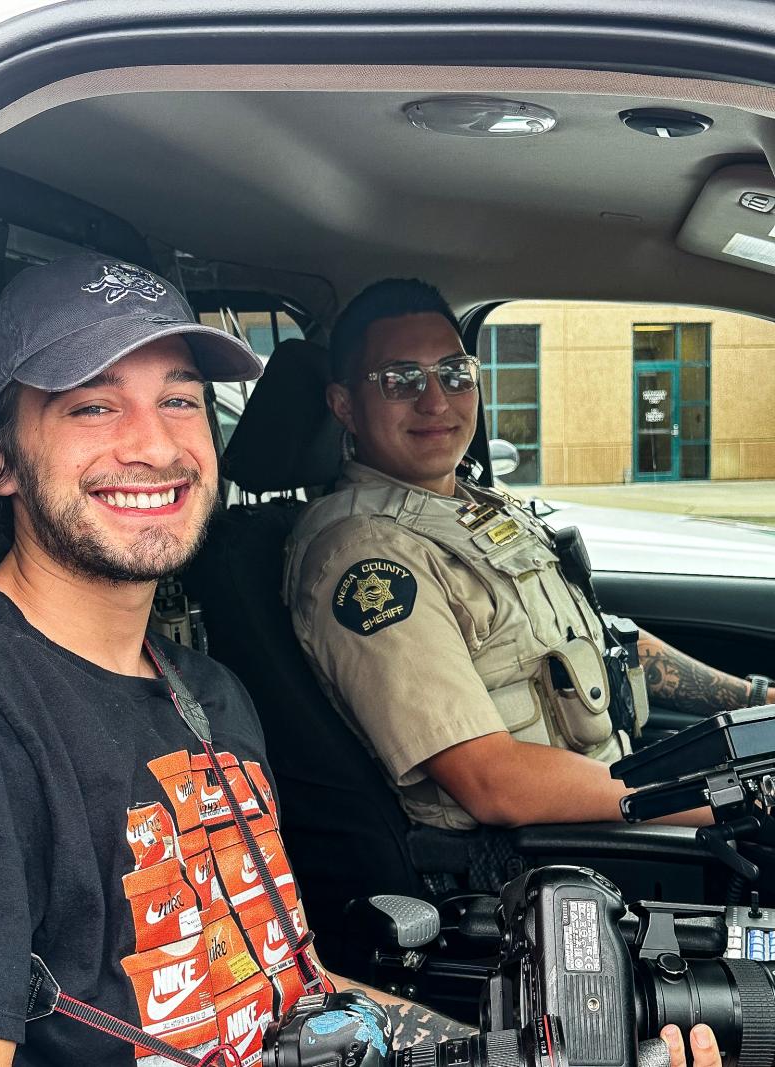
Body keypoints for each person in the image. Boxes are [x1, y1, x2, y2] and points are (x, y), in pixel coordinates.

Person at [0, 255, 474, 1066]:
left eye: (179, 399)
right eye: (94, 406)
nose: (154, 444)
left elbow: (291, 991)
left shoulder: (212, 692)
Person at [285, 278, 773, 834]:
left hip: (611, 796)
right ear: (344, 405)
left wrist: (758, 700)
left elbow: (605, 642)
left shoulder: (476, 507)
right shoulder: (367, 559)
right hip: (539, 861)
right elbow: (496, 784)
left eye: (454, 373)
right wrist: (740, 800)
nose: (436, 400)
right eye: (401, 380)